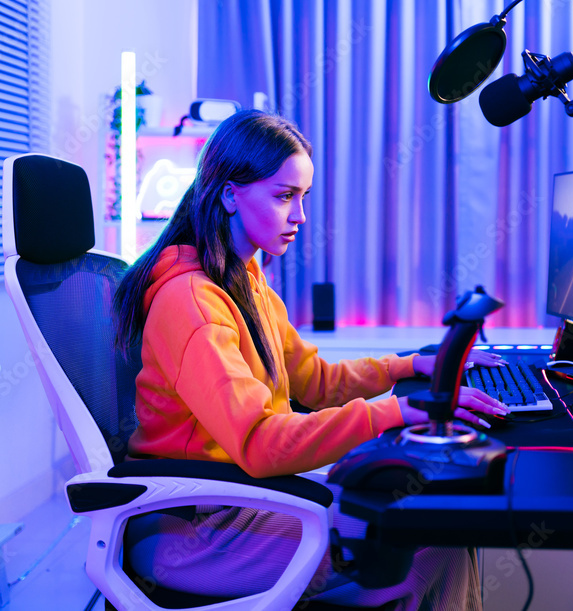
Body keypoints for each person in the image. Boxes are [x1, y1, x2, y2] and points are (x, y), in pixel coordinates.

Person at [113, 109, 509, 609]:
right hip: (195, 528)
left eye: (303, 198)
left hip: (243, 498)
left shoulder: (243, 279)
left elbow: (315, 380)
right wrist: (400, 412)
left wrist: (406, 368)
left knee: (433, 525)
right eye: (284, 197)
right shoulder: (192, 302)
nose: (299, 217)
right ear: (230, 194)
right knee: (434, 537)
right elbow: (258, 442)